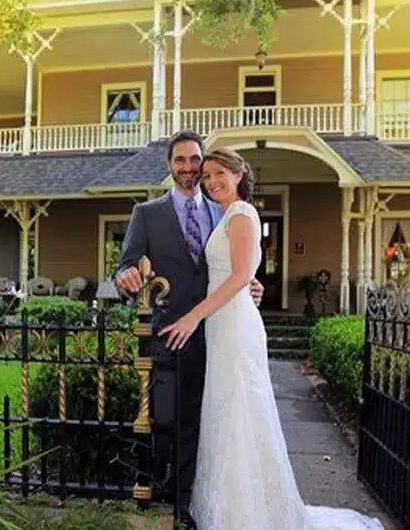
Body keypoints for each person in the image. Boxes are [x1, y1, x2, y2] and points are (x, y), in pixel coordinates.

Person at [159, 148, 385, 530]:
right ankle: (229, 506)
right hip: (222, 323)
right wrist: (248, 284)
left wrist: (193, 316)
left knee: (241, 410)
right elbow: (240, 273)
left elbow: (238, 275)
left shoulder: (242, 213)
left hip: (233, 325)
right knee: (226, 412)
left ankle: (247, 515)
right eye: (207, 176)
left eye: (219, 174)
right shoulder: (227, 215)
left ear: (238, 174)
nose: (211, 181)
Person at [115, 131, 264, 529]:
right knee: (171, 423)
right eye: (179, 160)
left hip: (220, 332)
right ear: (169, 165)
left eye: (194, 159)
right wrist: (125, 276)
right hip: (173, 332)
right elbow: (125, 265)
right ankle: (173, 500)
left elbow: (236, 266)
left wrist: (250, 284)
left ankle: (195, 505)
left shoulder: (223, 208)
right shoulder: (147, 214)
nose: (188, 167)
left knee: (215, 422)